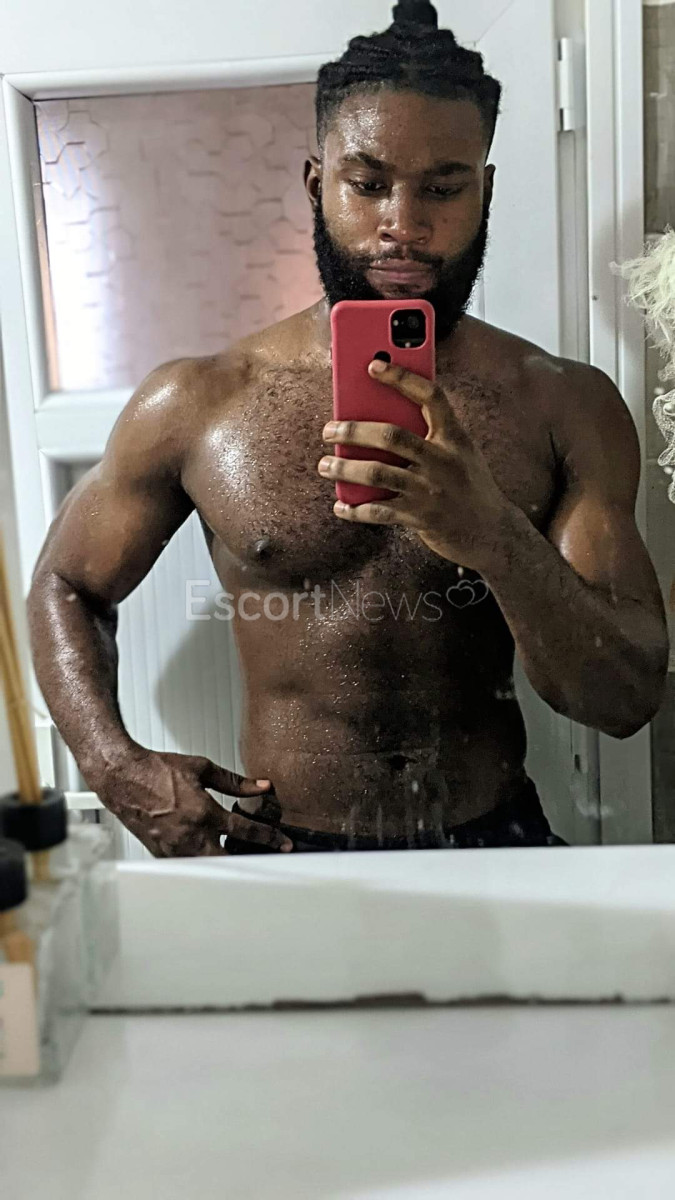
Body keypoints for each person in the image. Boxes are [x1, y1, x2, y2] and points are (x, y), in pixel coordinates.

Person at [27, 0, 669, 856]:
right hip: (284, 850)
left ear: (484, 190)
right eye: (367, 184)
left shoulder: (563, 404)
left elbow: (624, 700)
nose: (402, 223)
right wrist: (115, 767)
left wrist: (491, 535)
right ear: (315, 185)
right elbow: (65, 585)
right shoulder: (198, 401)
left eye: (441, 187)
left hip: (496, 842)